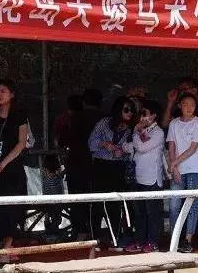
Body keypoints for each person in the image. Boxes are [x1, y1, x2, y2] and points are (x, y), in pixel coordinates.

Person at [0, 80, 30, 250]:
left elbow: (21, 143)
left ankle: (7, 247)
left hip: (12, 169)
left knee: (12, 209)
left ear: (12, 94)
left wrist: (3, 163)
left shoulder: (20, 115)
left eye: (3, 91)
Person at [88, 95, 137, 249]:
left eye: (132, 110)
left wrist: (123, 151)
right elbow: (91, 143)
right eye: (126, 109)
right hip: (101, 166)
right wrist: (105, 144)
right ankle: (95, 239)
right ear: (118, 109)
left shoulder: (132, 129)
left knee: (115, 204)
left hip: (118, 167)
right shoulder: (104, 123)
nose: (129, 113)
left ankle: (114, 238)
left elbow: (134, 149)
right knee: (97, 203)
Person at [167, 93, 198, 253]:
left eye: (192, 105)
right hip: (177, 168)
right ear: (179, 106)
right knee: (174, 204)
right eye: (185, 104)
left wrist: (174, 163)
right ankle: (174, 238)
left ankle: (188, 239)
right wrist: (174, 167)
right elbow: (171, 146)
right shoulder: (174, 124)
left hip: (193, 168)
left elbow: (193, 148)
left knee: (191, 204)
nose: (189, 108)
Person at [64, 88, 104, 240]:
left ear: (84, 101)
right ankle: (95, 232)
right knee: (97, 199)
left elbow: (68, 139)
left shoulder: (77, 117)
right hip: (99, 164)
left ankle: (80, 231)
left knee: (78, 199)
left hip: (77, 163)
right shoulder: (105, 118)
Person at [131, 99, 165, 252]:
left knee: (153, 213)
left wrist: (134, 132)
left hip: (152, 178)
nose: (142, 117)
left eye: (145, 114)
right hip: (139, 177)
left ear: (154, 116)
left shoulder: (158, 132)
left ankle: (153, 242)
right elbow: (132, 146)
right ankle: (140, 241)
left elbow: (141, 147)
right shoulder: (142, 132)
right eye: (141, 114)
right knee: (140, 212)